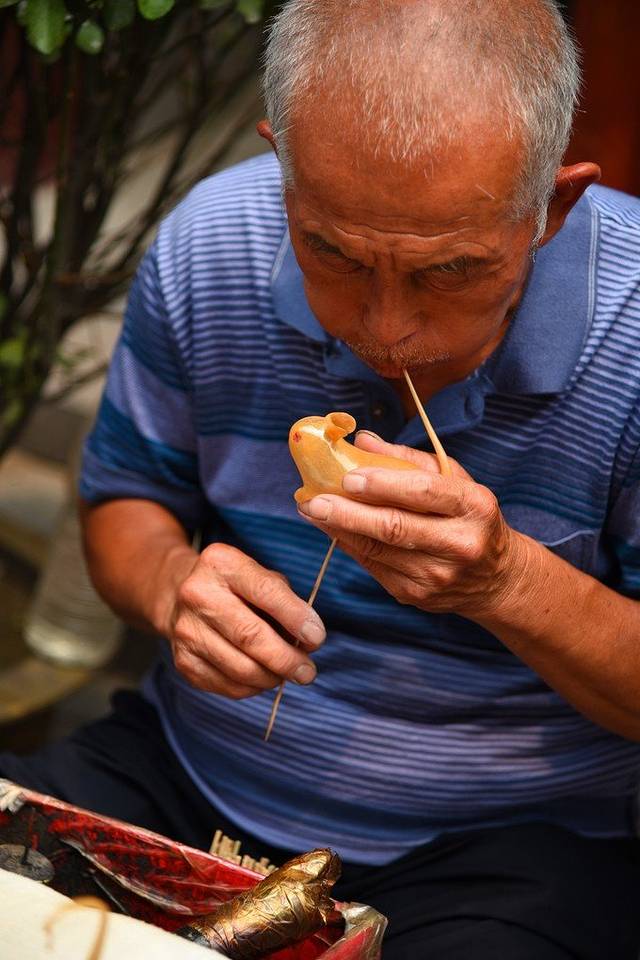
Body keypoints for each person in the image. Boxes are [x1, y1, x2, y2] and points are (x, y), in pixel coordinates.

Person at [2, 1, 640, 956]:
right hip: (187, 770)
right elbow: (124, 499)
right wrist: (173, 587)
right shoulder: (212, 243)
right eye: (332, 252)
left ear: (553, 206)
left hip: (514, 843)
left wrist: (508, 582)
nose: (385, 330)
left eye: (451, 270)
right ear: (284, 167)